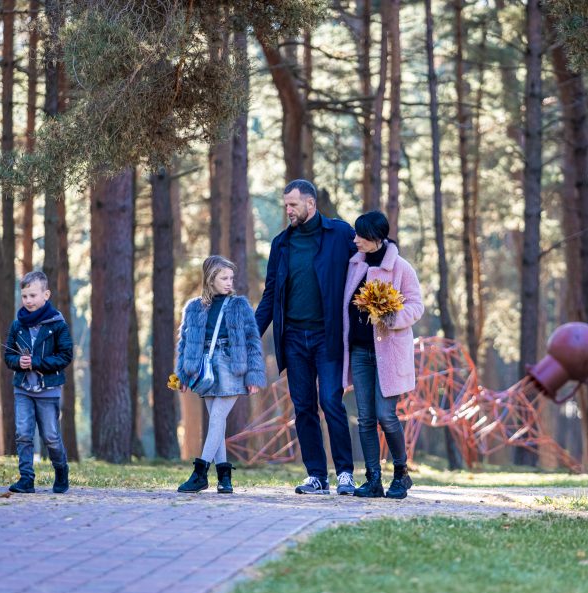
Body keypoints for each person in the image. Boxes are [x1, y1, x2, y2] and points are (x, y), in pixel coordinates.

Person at [254, 179, 358, 495]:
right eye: (286, 205)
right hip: (294, 339)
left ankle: (345, 474)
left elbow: (368, 259)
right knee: (303, 407)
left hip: (328, 336)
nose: (288, 210)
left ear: (310, 204)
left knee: (330, 400)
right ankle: (316, 475)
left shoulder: (339, 234)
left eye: (293, 205)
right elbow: (271, 293)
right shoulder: (282, 244)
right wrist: (251, 336)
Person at [342, 211, 424, 499]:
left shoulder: (401, 268)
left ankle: (401, 474)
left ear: (376, 238)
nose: (355, 240)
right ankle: (373, 479)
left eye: (360, 236)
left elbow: (416, 306)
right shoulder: (355, 265)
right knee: (365, 418)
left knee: (385, 415)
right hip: (360, 352)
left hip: (389, 353)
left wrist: (392, 315)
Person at [176, 255, 266, 493]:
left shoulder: (240, 306)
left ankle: (200, 472)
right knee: (218, 423)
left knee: (216, 419)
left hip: (231, 364)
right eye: (223, 278)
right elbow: (184, 343)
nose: (229, 282)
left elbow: (252, 342)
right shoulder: (194, 307)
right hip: (204, 367)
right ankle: (224, 478)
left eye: (231, 278)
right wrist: (182, 376)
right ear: (210, 279)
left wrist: (253, 376)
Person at [3, 271, 73, 494]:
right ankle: (26, 479)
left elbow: (65, 356)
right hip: (23, 389)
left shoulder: (57, 324)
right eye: (25, 296)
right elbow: (8, 355)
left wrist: (36, 362)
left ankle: (61, 470)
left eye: (33, 295)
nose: (28, 301)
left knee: (51, 437)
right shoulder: (18, 325)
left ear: (46, 294)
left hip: (48, 390)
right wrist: (19, 362)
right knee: (23, 433)